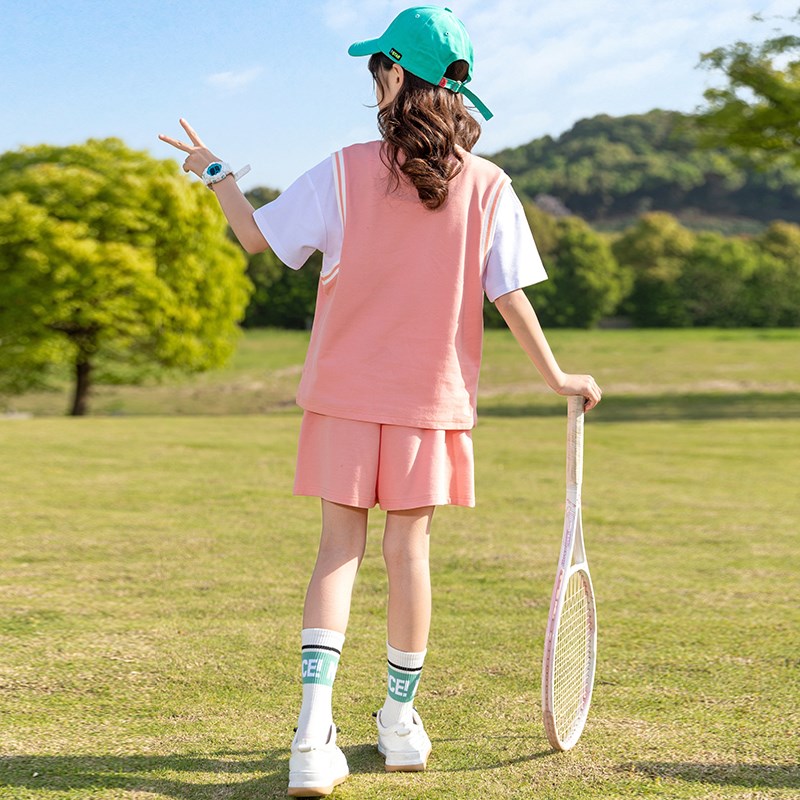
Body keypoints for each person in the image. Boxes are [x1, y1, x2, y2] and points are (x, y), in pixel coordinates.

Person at [160, 6, 602, 797]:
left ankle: (310, 735)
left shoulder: (342, 168)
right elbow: (511, 299)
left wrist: (217, 171)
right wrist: (558, 378)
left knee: (338, 552)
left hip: (342, 396)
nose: (371, 81)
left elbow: (258, 242)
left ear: (395, 75)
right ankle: (398, 724)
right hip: (430, 406)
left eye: (377, 68)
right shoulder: (493, 186)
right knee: (409, 556)